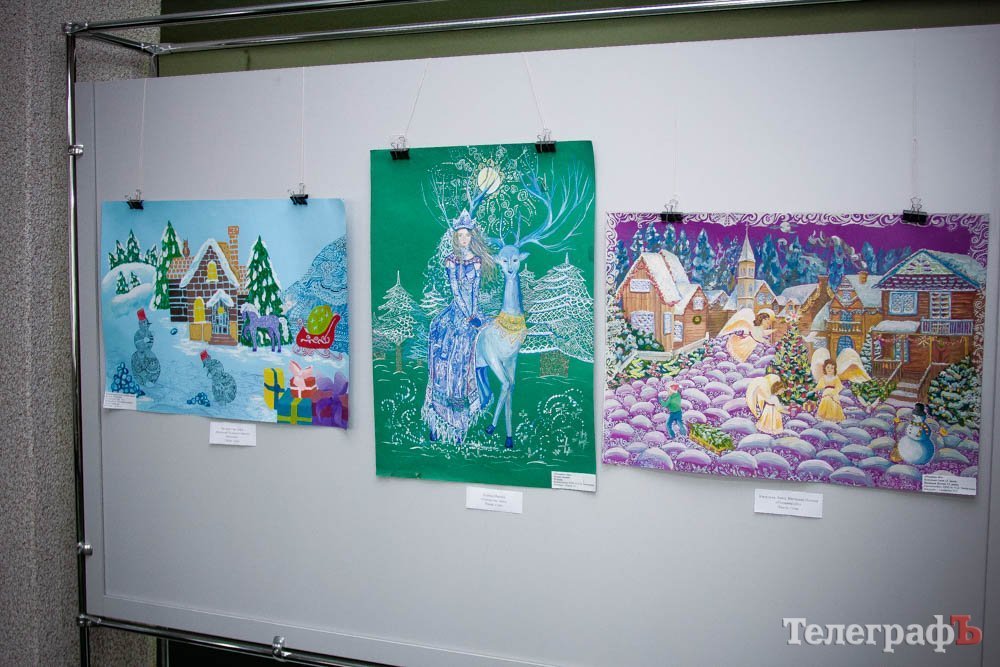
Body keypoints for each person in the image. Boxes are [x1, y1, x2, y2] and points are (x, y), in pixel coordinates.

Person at [420, 210, 496, 444]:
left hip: (472, 313)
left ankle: (463, 419)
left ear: (472, 237)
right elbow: (456, 292)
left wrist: (474, 315)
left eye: (467, 235)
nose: (464, 239)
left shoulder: (477, 261)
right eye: (460, 235)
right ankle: (439, 417)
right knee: (449, 356)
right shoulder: (451, 261)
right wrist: (467, 315)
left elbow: (474, 292)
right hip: (456, 314)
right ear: (456, 238)